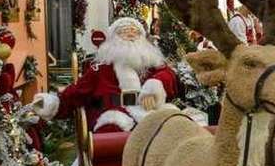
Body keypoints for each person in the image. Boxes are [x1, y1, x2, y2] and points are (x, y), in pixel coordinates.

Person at [34, 17, 177, 132]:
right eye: (124, 31)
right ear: (113, 39)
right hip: (115, 116)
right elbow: (78, 92)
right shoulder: (101, 69)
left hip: (150, 112)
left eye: (136, 31)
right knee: (113, 126)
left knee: (176, 123)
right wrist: (53, 103)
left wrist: (154, 87)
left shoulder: (152, 65)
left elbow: (168, 75)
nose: (131, 34)